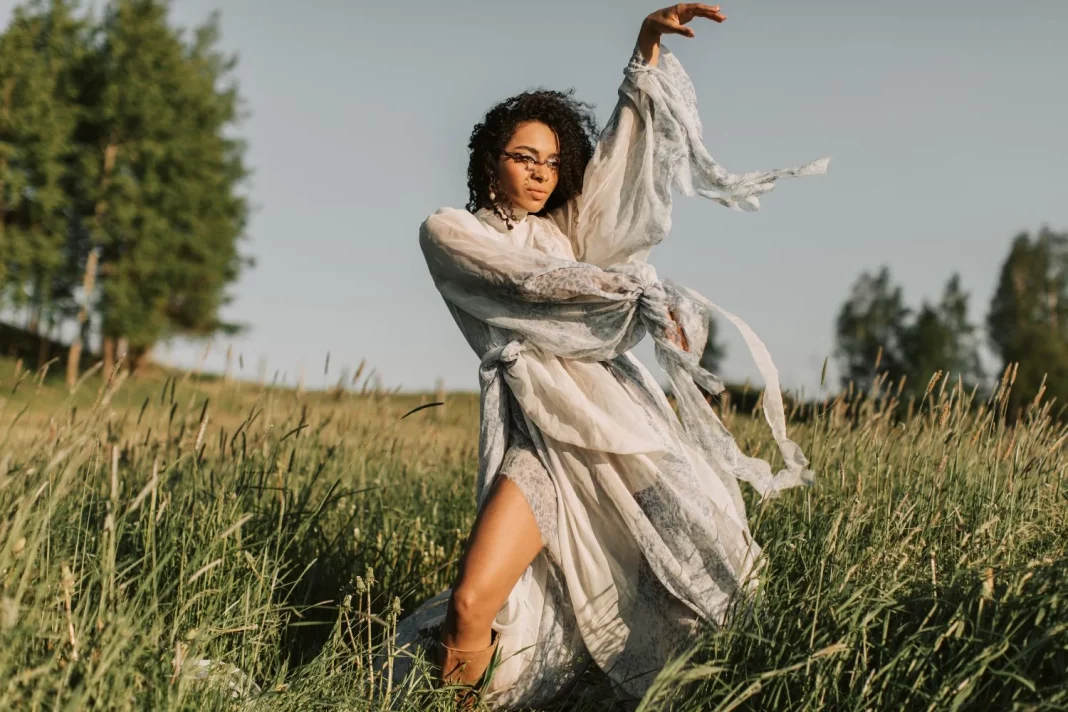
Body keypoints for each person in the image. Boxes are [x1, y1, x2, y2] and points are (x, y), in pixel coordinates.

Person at [392, 4, 830, 709]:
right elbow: (527, 284)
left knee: (683, 584)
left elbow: (619, 176)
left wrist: (645, 49)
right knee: (474, 603)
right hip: (538, 438)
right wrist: (627, 291)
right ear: (489, 159)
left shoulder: (568, 230)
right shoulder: (451, 232)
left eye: (552, 162)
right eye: (524, 158)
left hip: (616, 424)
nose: (540, 174)